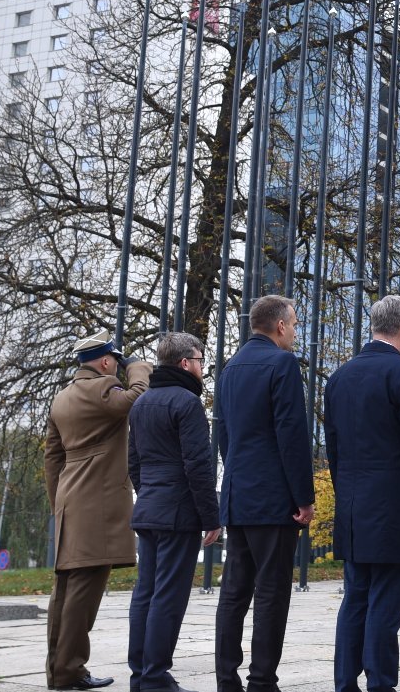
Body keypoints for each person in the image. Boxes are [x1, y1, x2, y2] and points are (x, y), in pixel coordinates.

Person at [325, 294, 400, 692]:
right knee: (386, 602)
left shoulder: (339, 377)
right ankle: (380, 683)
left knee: (355, 596)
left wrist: (347, 497)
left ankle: (345, 682)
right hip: (393, 507)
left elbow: (334, 448)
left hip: (354, 505)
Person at [214, 296, 315, 692]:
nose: (294, 331)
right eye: (293, 324)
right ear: (278, 326)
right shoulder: (283, 364)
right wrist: (303, 498)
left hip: (238, 494)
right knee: (272, 592)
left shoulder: (230, 367)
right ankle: (261, 681)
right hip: (274, 499)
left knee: (234, 592)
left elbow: (224, 434)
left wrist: (238, 474)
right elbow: (291, 435)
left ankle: (227, 680)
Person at [44, 329, 152, 691]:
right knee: (83, 594)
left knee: (66, 591)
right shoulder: (101, 389)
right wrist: (137, 366)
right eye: (116, 362)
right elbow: (136, 397)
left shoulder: (62, 398)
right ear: (107, 361)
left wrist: (58, 502)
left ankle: (63, 671)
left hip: (70, 501)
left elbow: (52, 457)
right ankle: (69, 673)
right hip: (97, 506)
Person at [127, 331, 221, 692]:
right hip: (178, 513)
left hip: (149, 508)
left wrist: (147, 494)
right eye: (200, 360)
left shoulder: (141, 403)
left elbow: (133, 462)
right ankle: (155, 676)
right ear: (185, 363)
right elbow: (198, 465)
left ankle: (141, 674)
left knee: (145, 593)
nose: (202, 367)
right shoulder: (186, 403)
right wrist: (210, 517)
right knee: (168, 595)